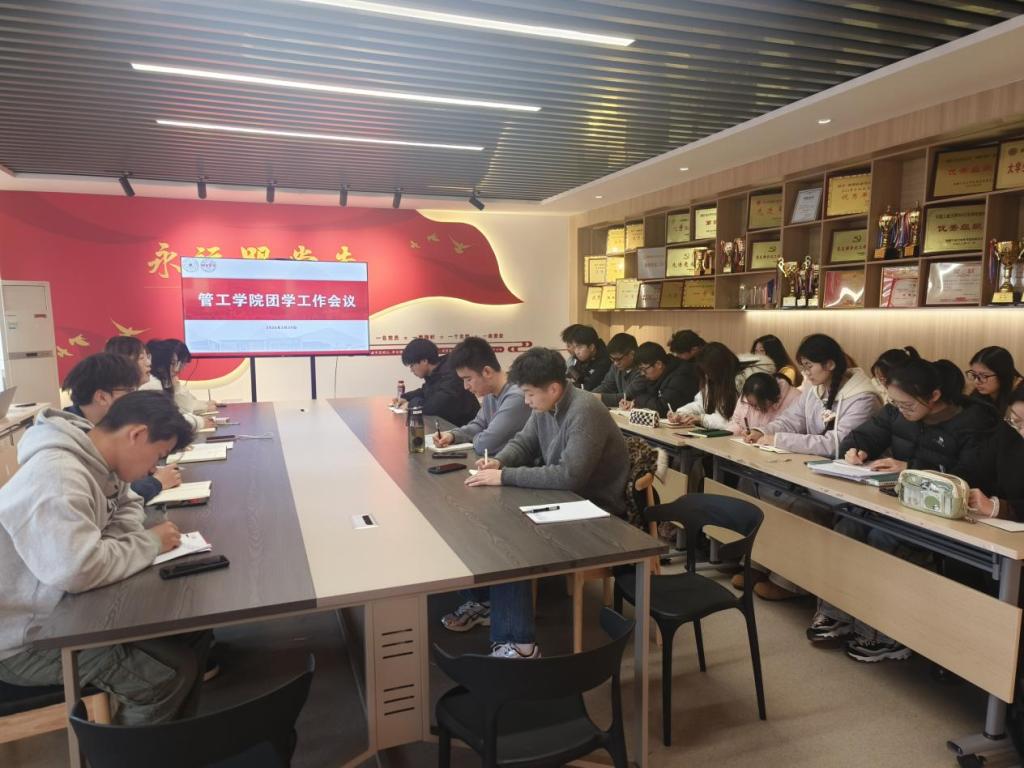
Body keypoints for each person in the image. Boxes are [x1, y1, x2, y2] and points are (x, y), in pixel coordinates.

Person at [0, 391, 212, 725]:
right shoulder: (57, 477)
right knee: (162, 678)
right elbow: (76, 569)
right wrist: (148, 543)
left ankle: (173, 745)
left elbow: (127, 505)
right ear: (136, 434)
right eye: (157, 455)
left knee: (192, 633)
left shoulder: (101, 460)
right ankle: (131, 750)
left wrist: (113, 546)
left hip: (58, 610)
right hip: (18, 641)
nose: (154, 468)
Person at [812, 359, 998, 663]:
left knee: (883, 539)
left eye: (907, 405)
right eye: (895, 403)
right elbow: (863, 435)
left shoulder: (972, 423)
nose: (900, 410)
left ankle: (885, 635)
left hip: (947, 517)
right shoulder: (896, 412)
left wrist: (910, 468)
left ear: (934, 396)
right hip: (899, 504)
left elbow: (969, 477)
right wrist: (855, 449)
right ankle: (838, 613)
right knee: (848, 526)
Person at [457, 348, 630, 659]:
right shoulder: (545, 406)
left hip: (597, 512)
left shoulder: (585, 411)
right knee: (490, 524)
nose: (526, 401)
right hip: (564, 500)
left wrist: (505, 476)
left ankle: (519, 644)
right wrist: (499, 461)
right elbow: (524, 442)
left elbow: (569, 476)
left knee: (512, 543)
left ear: (553, 388)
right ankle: (489, 602)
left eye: (529, 394)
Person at [62, 353, 182, 503]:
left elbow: (121, 501)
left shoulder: (100, 435)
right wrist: (156, 482)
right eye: (130, 392)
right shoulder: (66, 466)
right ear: (102, 397)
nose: (135, 399)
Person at [744, 334, 881, 456]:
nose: (806, 373)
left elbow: (837, 444)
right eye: (803, 367)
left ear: (830, 364)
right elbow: (790, 421)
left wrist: (779, 440)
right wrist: (762, 432)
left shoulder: (863, 398)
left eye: (809, 366)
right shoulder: (814, 389)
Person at [433, 337, 530, 455]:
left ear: (487, 372)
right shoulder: (490, 392)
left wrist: (474, 438)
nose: (465, 386)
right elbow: (479, 425)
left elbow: (485, 445)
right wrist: (452, 435)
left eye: (468, 379)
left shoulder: (517, 396)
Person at [668, 343, 774, 429]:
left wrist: (701, 419)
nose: (707, 376)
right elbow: (702, 403)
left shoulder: (745, 384)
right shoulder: (715, 380)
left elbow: (733, 422)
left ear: (719, 368)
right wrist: (681, 413)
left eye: (709, 372)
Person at [393, 338, 480, 426]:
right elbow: (425, 391)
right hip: (447, 425)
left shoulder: (451, 373)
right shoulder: (435, 372)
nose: (411, 370)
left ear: (424, 361)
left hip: (466, 428)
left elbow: (434, 407)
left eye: (412, 365)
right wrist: (405, 397)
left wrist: (410, 405)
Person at [970, 384, 1024, 523]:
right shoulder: (1010, 431)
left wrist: (998, 507)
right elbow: (978, 467)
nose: (1022, 431)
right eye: (1017, 420)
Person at [147, 339, 215, 432]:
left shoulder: (161, 382)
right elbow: (182, 412)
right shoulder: (152, 385)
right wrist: (199, 421)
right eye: (173, 363)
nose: (177, 369)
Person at [624, 341, 701, 417]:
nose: (642, 373)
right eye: (640, 370)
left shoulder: (682, 376)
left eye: (644, 369)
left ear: (659, 364)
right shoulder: (658, 375)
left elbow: (662, 408)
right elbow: (649, 398)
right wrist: (632, 402)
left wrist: (638, 401)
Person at [728, 372, 801, 435]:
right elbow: (736, 423)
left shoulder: (795, 398)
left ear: (771, 398)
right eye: (751, 404)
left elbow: (793, 430)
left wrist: (761, 434)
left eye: (757, 405)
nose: (754, 408)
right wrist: (731, 435)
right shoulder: (748, 393)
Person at [967, 346, 1022, 416]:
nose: (976, 381)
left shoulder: (1020, 396)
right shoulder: (980, 392)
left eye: (984, 376)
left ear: (1002, 374)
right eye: (974, 375)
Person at [592, 332, 643, 407]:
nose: (615, 363)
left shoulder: (643, 370)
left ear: (632, 354)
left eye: (618, 359)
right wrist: (590, 395)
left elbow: (627, 396)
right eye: (612, 359)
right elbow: (606, 386)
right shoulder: (616, 366)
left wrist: (599, 397)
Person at [563, 325, 611, 391]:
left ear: (591, 347)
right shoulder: (582, 357)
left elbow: (588, 387)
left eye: (579, 347)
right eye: (575, 347)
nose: (576, 352)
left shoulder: (605, 362)